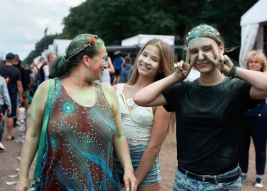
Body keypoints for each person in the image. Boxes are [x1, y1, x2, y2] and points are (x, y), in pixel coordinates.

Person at [133, 24, 267, 191]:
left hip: (226, 184)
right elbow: (140, 98)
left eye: (207, 49)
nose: (202, 56)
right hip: (186, 182)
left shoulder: (237, 88)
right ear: (188, 54)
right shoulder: (182, 91)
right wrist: (176, 76)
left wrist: (233, 70)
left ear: (221, 48)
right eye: (194, 51)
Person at [15, 34, 137, 191]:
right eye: (103, 58)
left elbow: (119, 136)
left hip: (101, 186)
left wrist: (128, 169)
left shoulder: (107, 93)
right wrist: (22, 178)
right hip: (57, 186)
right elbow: (33, 135)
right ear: (86, 60)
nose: (106, 65)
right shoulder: (49, 90)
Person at [114, 39, 175, 191]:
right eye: (145, 55)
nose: (146, 61)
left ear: (161, 67)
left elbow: (155, 146)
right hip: (113, 163)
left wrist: (135, 181)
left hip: (145, 169)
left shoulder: (162, 98)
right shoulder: (115, 89)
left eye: (154, 59)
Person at [239, 50, 267, 188]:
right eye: (251, 62)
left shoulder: (265, 77)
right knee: (242, 147)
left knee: (260, 148)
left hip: (261, 116)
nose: (253, 64)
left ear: (262, 64)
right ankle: (243, 173)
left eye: (256, 62)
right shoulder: (243, 77)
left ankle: (259, 176)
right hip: (245, 116)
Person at [0, 53, 23, 141]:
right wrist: (20, 96)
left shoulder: (0, 69)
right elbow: (19, 85)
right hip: (12, 95)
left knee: (0, 115)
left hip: (1, 96)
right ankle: (9, 135)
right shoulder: (16, 71)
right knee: (11, 115)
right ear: (13, 60)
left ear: (5, 59)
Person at [0, 75, 12, 150]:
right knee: (0, 123)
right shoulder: (1, 79)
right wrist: (9, 106)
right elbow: (5, 94)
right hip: (1, 104)